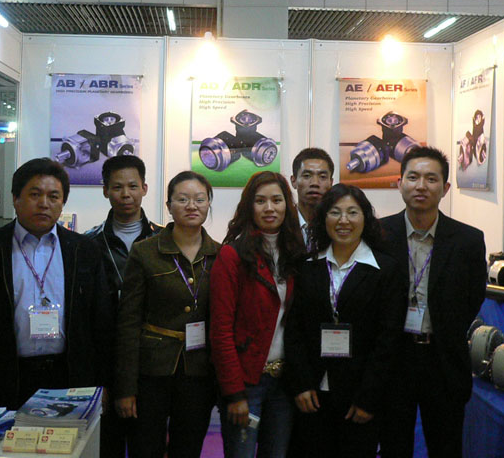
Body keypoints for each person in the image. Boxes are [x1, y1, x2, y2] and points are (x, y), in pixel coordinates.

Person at [0, 157, 114, 409]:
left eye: (54, 196)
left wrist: (103, 383)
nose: (44, 203)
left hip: (70, 378)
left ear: (62, 202)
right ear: (15, 198)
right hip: (2, 380)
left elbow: (102, 324)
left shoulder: (84, 251)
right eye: (34, 194)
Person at [378, 146, 486, 458]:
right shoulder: (379, 235)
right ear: (399, 183)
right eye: (413, 177)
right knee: (394, 448)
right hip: (393, 359)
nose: (421, 186)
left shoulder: (467, 240)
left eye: (431, 179)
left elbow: (473, 297)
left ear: (445, 188)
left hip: (443, 361)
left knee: (446, 447)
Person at [284, 184, 404, 457]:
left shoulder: (385, 270)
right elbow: (294, 330)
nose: (343, 221)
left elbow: (388, 340)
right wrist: (301, 383)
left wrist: (368, 397)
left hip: (359, 396)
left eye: (352, 212)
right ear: (323, 218)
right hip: (312, 393)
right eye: (335, 212)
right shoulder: (307, 266)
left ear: (365, 218)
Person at [114, 171, 219, 458]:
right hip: (151, 371)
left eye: (200, 199)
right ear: (168, 205)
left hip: (199, 371)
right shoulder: (145, 252)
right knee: (145, 448)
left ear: (209, 204)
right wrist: (126, 388)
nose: (192, 206)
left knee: (188, 448)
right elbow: (128, 323)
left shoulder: (220, 255)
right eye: (182, 199)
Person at [210, 171, 306, 458]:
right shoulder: (232, 256)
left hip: (284, 383)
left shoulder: (295, 254)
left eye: (277, 200)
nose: (269, 208)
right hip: (246, 383)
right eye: (260, 201)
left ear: (287, 205)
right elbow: (221, 331)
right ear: (249, 206)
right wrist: (234, 393)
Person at [84, 155, 163, 458]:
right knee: (108, 445)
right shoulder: (88, 244)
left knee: (149, 445)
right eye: (117, 187)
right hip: (106, 357)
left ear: (144, 188)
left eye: (133, 186)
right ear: (105, 190)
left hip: (152, 358)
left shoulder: (164, 240)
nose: (126, 194)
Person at [290, 148, 334, 245]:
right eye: (307, 176)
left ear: (331, 183)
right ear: (294, 181)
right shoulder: (283, 222)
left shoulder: (336, 224)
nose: (315, 183)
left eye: (322, 177)